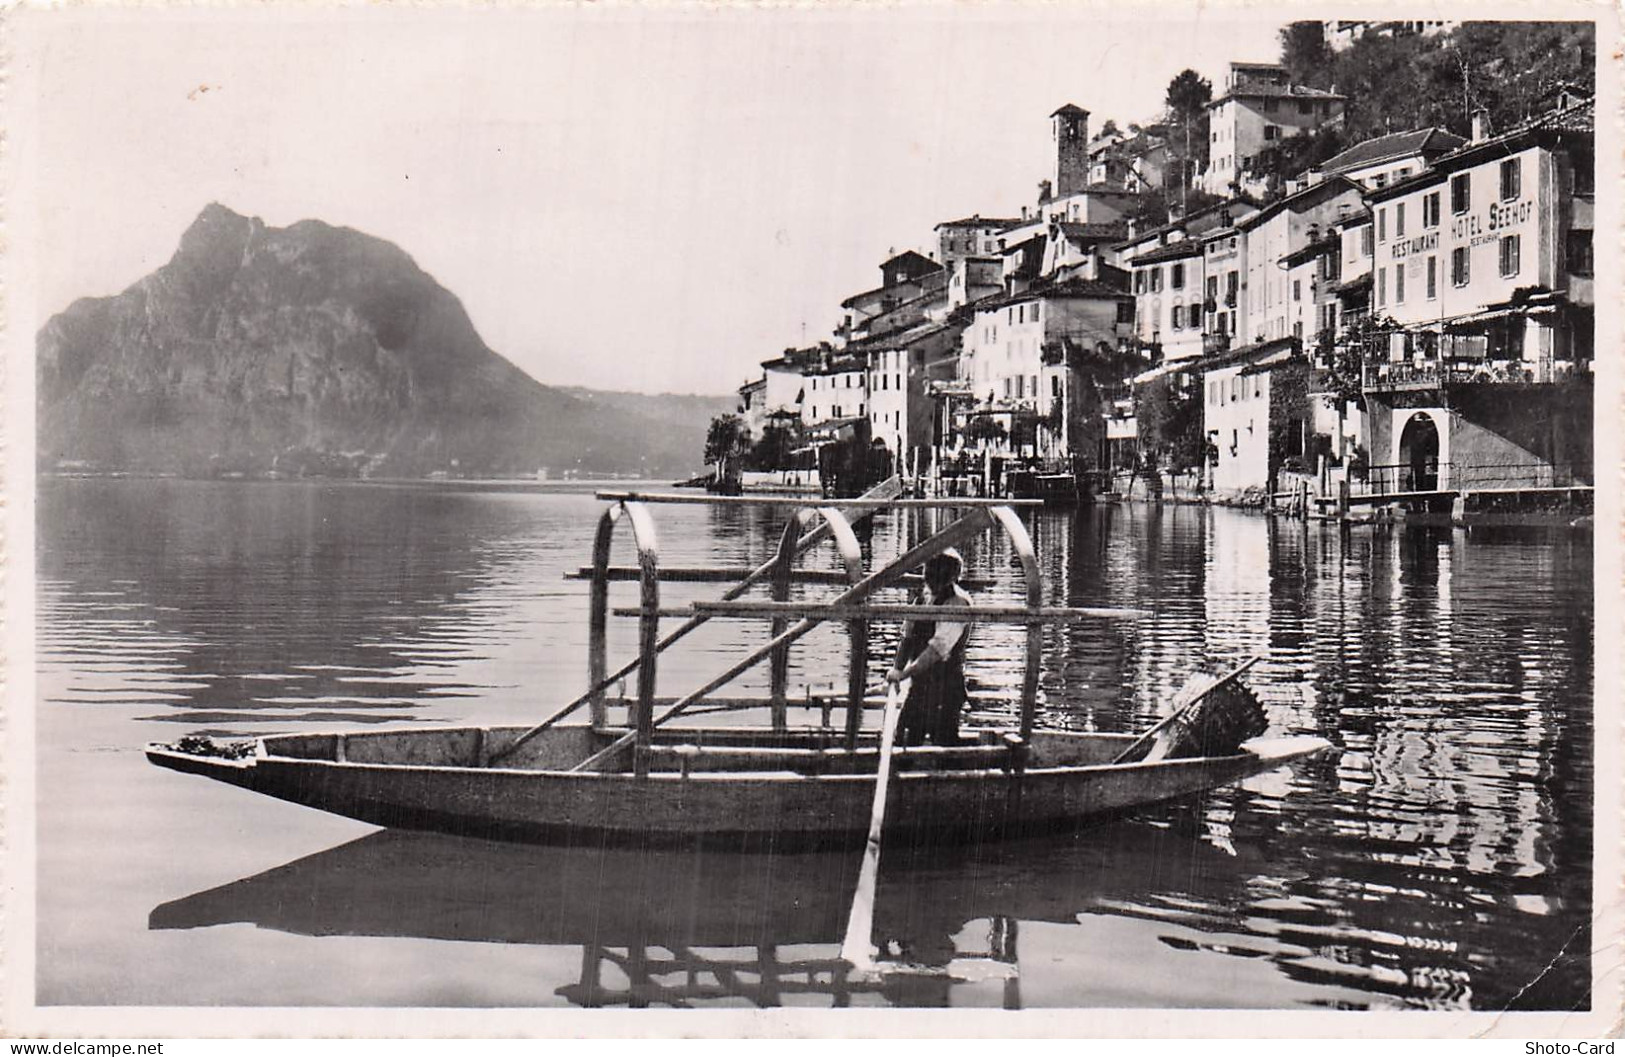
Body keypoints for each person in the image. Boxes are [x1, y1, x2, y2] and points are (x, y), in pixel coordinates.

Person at [885, 548, 972, 747]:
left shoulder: (958, 603)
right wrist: (896, 671)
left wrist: (904, 674)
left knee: (943, 745)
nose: (932, 577)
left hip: (946, 686)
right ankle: (903, 773)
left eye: (938, 572)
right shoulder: (922, 599)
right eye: (929, 571)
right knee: (905, 738)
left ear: (953, 575)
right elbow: (907, 638)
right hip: (921, 686)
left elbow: (937, 649)